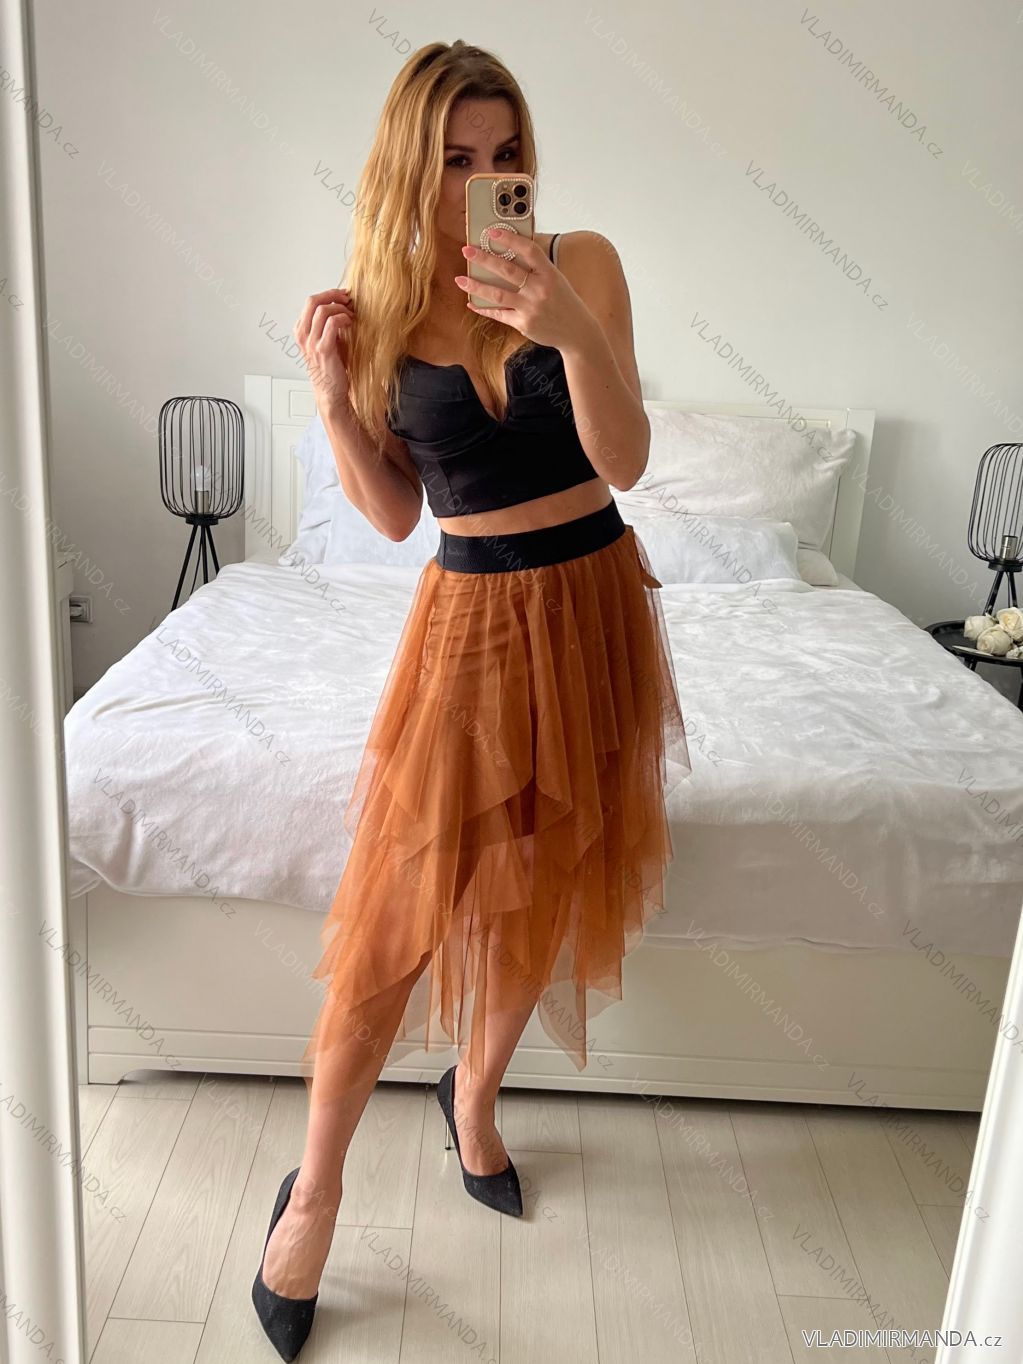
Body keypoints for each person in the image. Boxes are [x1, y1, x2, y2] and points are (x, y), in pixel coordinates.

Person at [250, 38, 692, 1361]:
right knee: (394, 922)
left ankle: (476, 1097)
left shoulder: (583, 264)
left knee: (549, 880)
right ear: (411, 166)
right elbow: (395, 516)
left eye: (505, 155)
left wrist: (567, 330)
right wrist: (333, 400)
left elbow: (627, 459)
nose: (487, 179)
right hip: (474, 622)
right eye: (455, 159)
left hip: (596, 600)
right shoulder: (384, 314)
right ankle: (315, 1195)